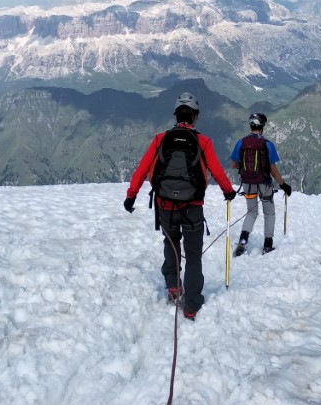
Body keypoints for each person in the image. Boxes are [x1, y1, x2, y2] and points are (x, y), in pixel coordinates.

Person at [123, 92, 236, 321]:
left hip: (165, 206)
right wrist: (228, 191)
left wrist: (131, 196)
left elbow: (142, 170)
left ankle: (174, 287)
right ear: (195, 116)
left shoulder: (160, 139)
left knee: (171, 243)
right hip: (192, 207)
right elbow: (216, 171)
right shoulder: (203, 142)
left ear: (176, 115)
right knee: (193, 255)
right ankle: (191, 305)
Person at [229, 112, 291, 256]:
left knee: (251, 212)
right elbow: (273, 170)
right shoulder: (268, 145)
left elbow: (232, 165)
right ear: (262, 127)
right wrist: (283, 185)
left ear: (250, 126)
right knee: (269, 212)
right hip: (264, 184)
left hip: (248, 183)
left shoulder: (241, 143)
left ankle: (243, 241)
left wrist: (243, 164)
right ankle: (267, 245)